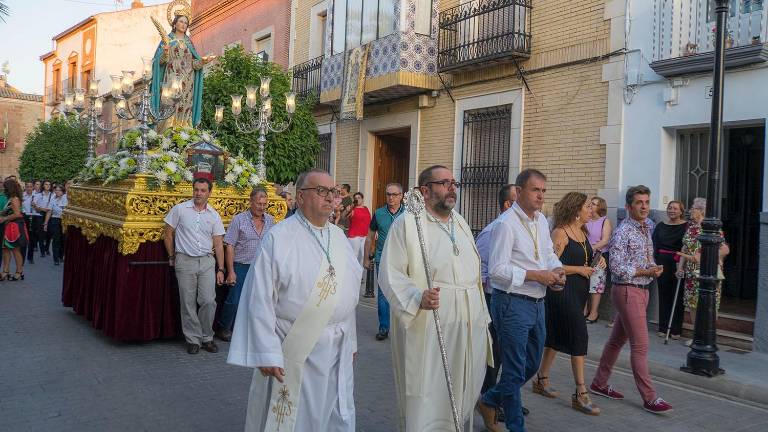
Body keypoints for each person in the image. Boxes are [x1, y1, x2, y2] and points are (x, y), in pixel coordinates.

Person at [228, 169, 361, 432]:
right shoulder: (279, 237)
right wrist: (265, 352)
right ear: (300, 197)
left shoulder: (338, 237)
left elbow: (345, 295)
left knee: (334, 411)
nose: (329, 197)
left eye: (332, 191)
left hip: (337, 346)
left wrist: (353, 339)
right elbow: (260, 298)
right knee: (295, 419)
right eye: (321, 191)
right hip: (295, 344)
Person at [378, 165, 492, 431]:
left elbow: (472, 275)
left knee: (462, 386)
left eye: (454, 182)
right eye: (444, 183)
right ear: (425, 191)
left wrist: (480, 317)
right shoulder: (407, 225)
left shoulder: (460, 222)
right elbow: (390, 272)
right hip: (430, 322)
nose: (452, 188)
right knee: (430, 390)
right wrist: (417, 297)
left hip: (466, 323)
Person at [477, 169, 566, 432]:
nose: (540, 195)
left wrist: (557, 270)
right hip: (511, 302)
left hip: (538, 303)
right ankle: (517, 426)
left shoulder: (540, 221)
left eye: (543, 191)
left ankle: (489, 399)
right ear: (519, 191)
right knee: (515, 370)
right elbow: (497, 270)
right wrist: (535, 275)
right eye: (535, 189)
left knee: (531, 364)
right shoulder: (505, 224)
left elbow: (548, 253)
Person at [590, 185, 672, 415]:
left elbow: (643, 258)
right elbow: (616, 267)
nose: (644, 206)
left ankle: (599, 383)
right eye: (639, 202)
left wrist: (652, 267)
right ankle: (650, 398)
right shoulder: (623, 231)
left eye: (647, 202)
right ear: (628, 206)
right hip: (627, 290)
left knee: (616, 341)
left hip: (642, 290)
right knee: (641, 345)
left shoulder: (648, 227)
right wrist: (645, 272)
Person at [534, 192, 604, 416]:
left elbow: (585, 257)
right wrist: (579, 270)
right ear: (575, 211)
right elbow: (551, 265)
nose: (591, 210)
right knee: (579, 336)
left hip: (579, 291)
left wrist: (597, 260)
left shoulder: (583, 231)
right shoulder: (560, 233)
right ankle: (580, 393)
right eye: (587, 206)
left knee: (555, 338)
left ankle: (541, 379)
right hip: (562, 293)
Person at [163, 178, 226, 355]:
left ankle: (207, 337)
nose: (198, 193)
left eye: (203, 190)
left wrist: (221, 268)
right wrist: (172, 256)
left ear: (209, 193)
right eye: (196, 189)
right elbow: (167, 233)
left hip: (206, 261)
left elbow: (219, 243)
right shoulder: (180, 209)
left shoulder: (214, 215)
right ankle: (193, 339)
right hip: (185, 260)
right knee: (187, 302)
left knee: (208, 300)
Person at [216, 187, 275, 342]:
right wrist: (231, 271)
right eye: (258, 204)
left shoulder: (270, 220)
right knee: (234, 300)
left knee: (259, 300)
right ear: (251, 202)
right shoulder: (239, 219)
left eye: (264, 204)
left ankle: (250, 329)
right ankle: (224, 327)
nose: (261, 207)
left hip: (261, 266)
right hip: (241, 265)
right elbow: (229, 245)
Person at [476, 184, 517, 397]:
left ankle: (506, 397)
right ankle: (489, 398)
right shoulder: (492, 231)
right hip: (493, 298)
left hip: (514, 299)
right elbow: (480, 267)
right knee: (495, 353)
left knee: (510, 354)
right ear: (508, 204)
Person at [150, 6, 214, 129]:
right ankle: (166, 131)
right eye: (181, 21)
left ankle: (185, 130)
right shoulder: (167, 40)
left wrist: (203, 61)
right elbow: (159, 62)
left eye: (186, 22)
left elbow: (194, 64)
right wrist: (165, 52)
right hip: (171, 79)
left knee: (185, 105)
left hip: (188, 82)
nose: (184, 24)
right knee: (170, 105)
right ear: (174, 23)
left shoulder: (189, 42)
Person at [676, 197, 729, 342]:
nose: (691, 211)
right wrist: (680, 267)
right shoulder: (691, 228)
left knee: (710, 304)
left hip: (709, 272)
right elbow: (684, 249)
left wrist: (706, 256)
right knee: (693, 304)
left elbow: (725, 249)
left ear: (701, 211)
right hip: (691, 272)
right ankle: (697, 336)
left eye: (693, 208)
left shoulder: (712, 228)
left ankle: (708, 336)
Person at [364, 182, 405, 341]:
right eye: (388, 194)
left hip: (403, 260)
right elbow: (369, 237)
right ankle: (384, 327)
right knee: (383, 295)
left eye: (394, 194)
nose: (391, 198)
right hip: (382, 258)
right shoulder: (379, 213)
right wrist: (366, 258)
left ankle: (402, 326)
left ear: (401, 196)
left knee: (402, 294)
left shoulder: (408, 213)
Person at [652, 200, 688, 339]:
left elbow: (685, 246)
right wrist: (655, 261)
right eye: (670, 208)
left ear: (681, 211)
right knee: (664, 293)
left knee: (677, 295)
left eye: (675, 208)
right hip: (662, 262)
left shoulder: (686, 226)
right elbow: (655, 243)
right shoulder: (661, 226)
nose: (672, 210)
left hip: (678, 262)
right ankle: (663, 326)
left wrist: (681, 265)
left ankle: (676, 330)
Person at [584, 196, 612, 323]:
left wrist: (591, 248)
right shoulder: (586, 220)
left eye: (594, 204)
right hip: (584, 255)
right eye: (590, 204)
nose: (591, 206)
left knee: (596, 285)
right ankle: (583, 310)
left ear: (600, 207)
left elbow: (605, 240)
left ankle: (594, 313)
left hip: (599, 256)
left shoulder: (604, 221)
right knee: (584, 283)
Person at [0, 178, 27, 281]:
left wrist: (4, 218)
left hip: (14, 226)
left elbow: (17, 214)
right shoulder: (11, 198)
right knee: (6, 249)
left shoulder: (14, 198)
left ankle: (19, 272)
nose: (3, 187)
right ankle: (5, 271)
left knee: (15, 249)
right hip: (8, 226)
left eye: (5, 186)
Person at [43, 185, 68, 265]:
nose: (57, 191)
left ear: (63, 191)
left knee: (63, 239)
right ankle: (56, 259)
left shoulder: (66, 198)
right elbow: (49, 212)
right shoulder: (53, 199)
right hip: (55, 220)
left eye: (59, 190)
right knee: (56, 239)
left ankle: (61, 256)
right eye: (56, 190)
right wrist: (46, 223)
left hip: (64, 221)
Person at [347, 192, 371, 267]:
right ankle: (352, 273)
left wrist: (374, 231)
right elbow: (345, 217)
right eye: (355, 198)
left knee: (364, 255)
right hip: (355, 235)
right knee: (354, 255)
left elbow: (369, 221)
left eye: (359, 198)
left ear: (362, 199)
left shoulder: (366, 208)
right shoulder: (352, 209)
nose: (357, 199)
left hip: (365, 235)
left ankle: (360, 275)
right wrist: (349, 210)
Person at [32, 180, 52, 258]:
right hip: (40, 215)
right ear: (43, 186)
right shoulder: (39, 195)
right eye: (46, 184)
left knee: (49, 234)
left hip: (50, 215)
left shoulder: (53, 195)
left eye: (49, 184)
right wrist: (42, 209)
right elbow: (34, 205)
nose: (48, 186)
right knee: (41, 233)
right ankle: (42, 251)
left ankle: (47, 248)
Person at [21, 181, 38, 264]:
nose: (29, 188)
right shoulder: (22, 195)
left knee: (32, 238)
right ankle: (22, 257)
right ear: (25, 187)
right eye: (27, 186)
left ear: (33, 187)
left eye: (30, 186)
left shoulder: (37, 196)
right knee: (23, 238)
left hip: (33, 217)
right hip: (24, 217)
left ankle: (30, 257)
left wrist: (35, 206)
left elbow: (40, 209)